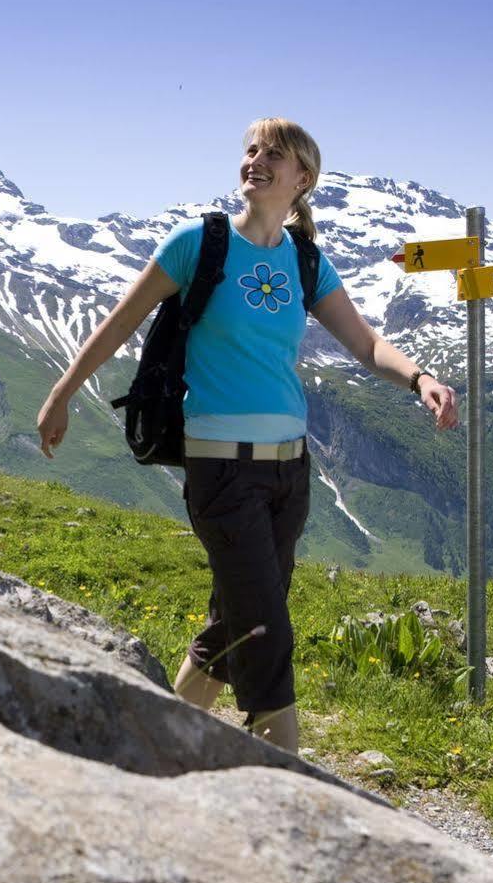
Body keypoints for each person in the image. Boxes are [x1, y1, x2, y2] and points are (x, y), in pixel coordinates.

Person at [36, 118, 459, 754]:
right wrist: (61, 393)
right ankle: (286, 786)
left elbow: (366, 343)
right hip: (222, 473)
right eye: (252, 150)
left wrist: (419, 378)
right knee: (267, 631)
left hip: (290, 474)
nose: (256, 161)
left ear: (302, 180)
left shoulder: (305, 260)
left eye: (274, 155)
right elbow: (119, 322)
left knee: (232, 627)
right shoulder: (197, 244)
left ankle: (156, 748)